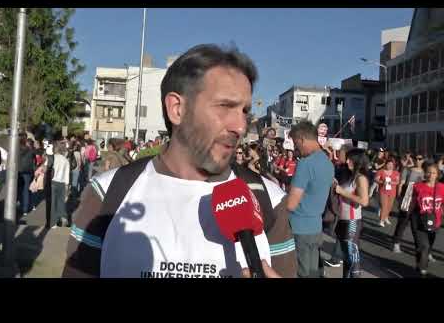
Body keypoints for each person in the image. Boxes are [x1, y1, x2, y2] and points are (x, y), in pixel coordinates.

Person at [63, 44, 295, 278]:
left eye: (244, 110)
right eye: (225, 106)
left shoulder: (268, 199)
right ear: (177, 109)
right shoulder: (108, 192)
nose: (240, 126)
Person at [284, 121, 334, 278]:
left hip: (299, 227)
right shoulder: (328, 163)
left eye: (296, 143)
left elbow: (291, 204)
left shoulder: (305, 164)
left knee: (302, 272)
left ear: (302, 139)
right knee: (313, 272)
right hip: (316, 227)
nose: (295, 148)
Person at [334, 149, 370, 278]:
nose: (347, 161)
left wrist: (342, 192)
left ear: (358, 161)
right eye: (347, 158)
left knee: (352, 257)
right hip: (342, 220)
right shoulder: (349, 175)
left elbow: (364, 201)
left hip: (352, 221)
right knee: (346, 257)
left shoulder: (361, 178)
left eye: (350, 159)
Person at [409, 163, 444, 277]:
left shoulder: (442, 187)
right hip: (418, 221)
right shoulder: (417, 186)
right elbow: (410, 203)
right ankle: (423, 269)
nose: (431, 175)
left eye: (434, 173)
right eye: (428, 172)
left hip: (435, 222)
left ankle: (420, 264)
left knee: (427, 247)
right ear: (425, 173)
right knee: (424, 246)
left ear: (437, 174)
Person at [392, 154, 425, 253]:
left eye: (420, 159)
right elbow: (401, 184)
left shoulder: (425, 172)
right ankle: (396, 243)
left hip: (419, 197)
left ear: (423, 160)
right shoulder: (408, 170)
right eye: (416, 158)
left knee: (417, 224)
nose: (417, 160)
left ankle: (419, 248)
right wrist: (399, 197)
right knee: (403, 220)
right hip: (408, 193)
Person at [50, 141, 70, 228]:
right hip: (62, 183)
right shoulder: (66, 160)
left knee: (52, 203)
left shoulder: (52, 158)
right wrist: (67, 187)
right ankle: (63, 217)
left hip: (53, 182)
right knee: (61, 202)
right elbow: (67, 175)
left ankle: (53, 223)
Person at [375, 160, 400, 227]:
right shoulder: (381, 171)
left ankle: (386, 217)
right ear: (386, 164)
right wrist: (382, 182)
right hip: (383, 191)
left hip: (392, 192)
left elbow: (397, 182)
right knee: (384, 206)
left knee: (389, 206)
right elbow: (376, 179)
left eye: (391, 165)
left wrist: (391, 182)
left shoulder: (396, 172)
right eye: (388, 164)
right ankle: (381, 221)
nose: (390, 166)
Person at [17, 133, 36, 215]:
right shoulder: (30, 150)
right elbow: (34, 160)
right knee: (26, 190)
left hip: (18, 171)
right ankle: (25, 209)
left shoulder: (16, 149)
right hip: (28, 171)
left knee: (18, 189)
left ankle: (20, 205)